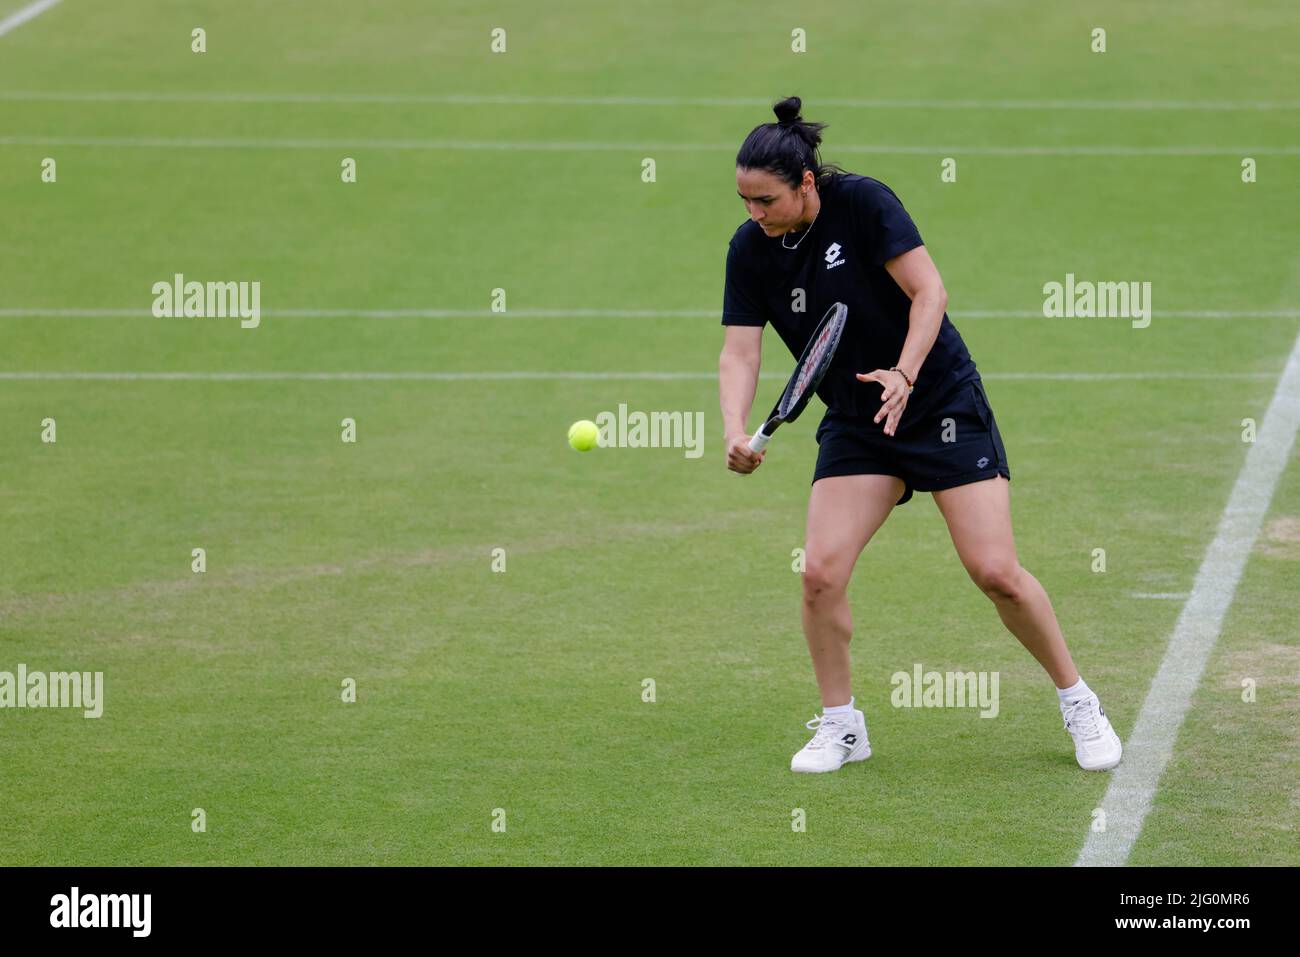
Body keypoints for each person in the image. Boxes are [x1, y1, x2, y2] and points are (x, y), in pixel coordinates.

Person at [718, 95, 1122, 774]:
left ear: (806, 183)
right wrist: (735, 427)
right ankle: (843, 725)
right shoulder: (750, 250)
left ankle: (1079, 700)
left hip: (936, 401)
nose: (753, 214)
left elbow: (929, 292)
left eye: (765, 200)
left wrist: (905, 373)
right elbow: (740, 350)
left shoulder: (866, 204)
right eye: (744, 200)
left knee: (996, 572)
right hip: (857, 417)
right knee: (819, 573)